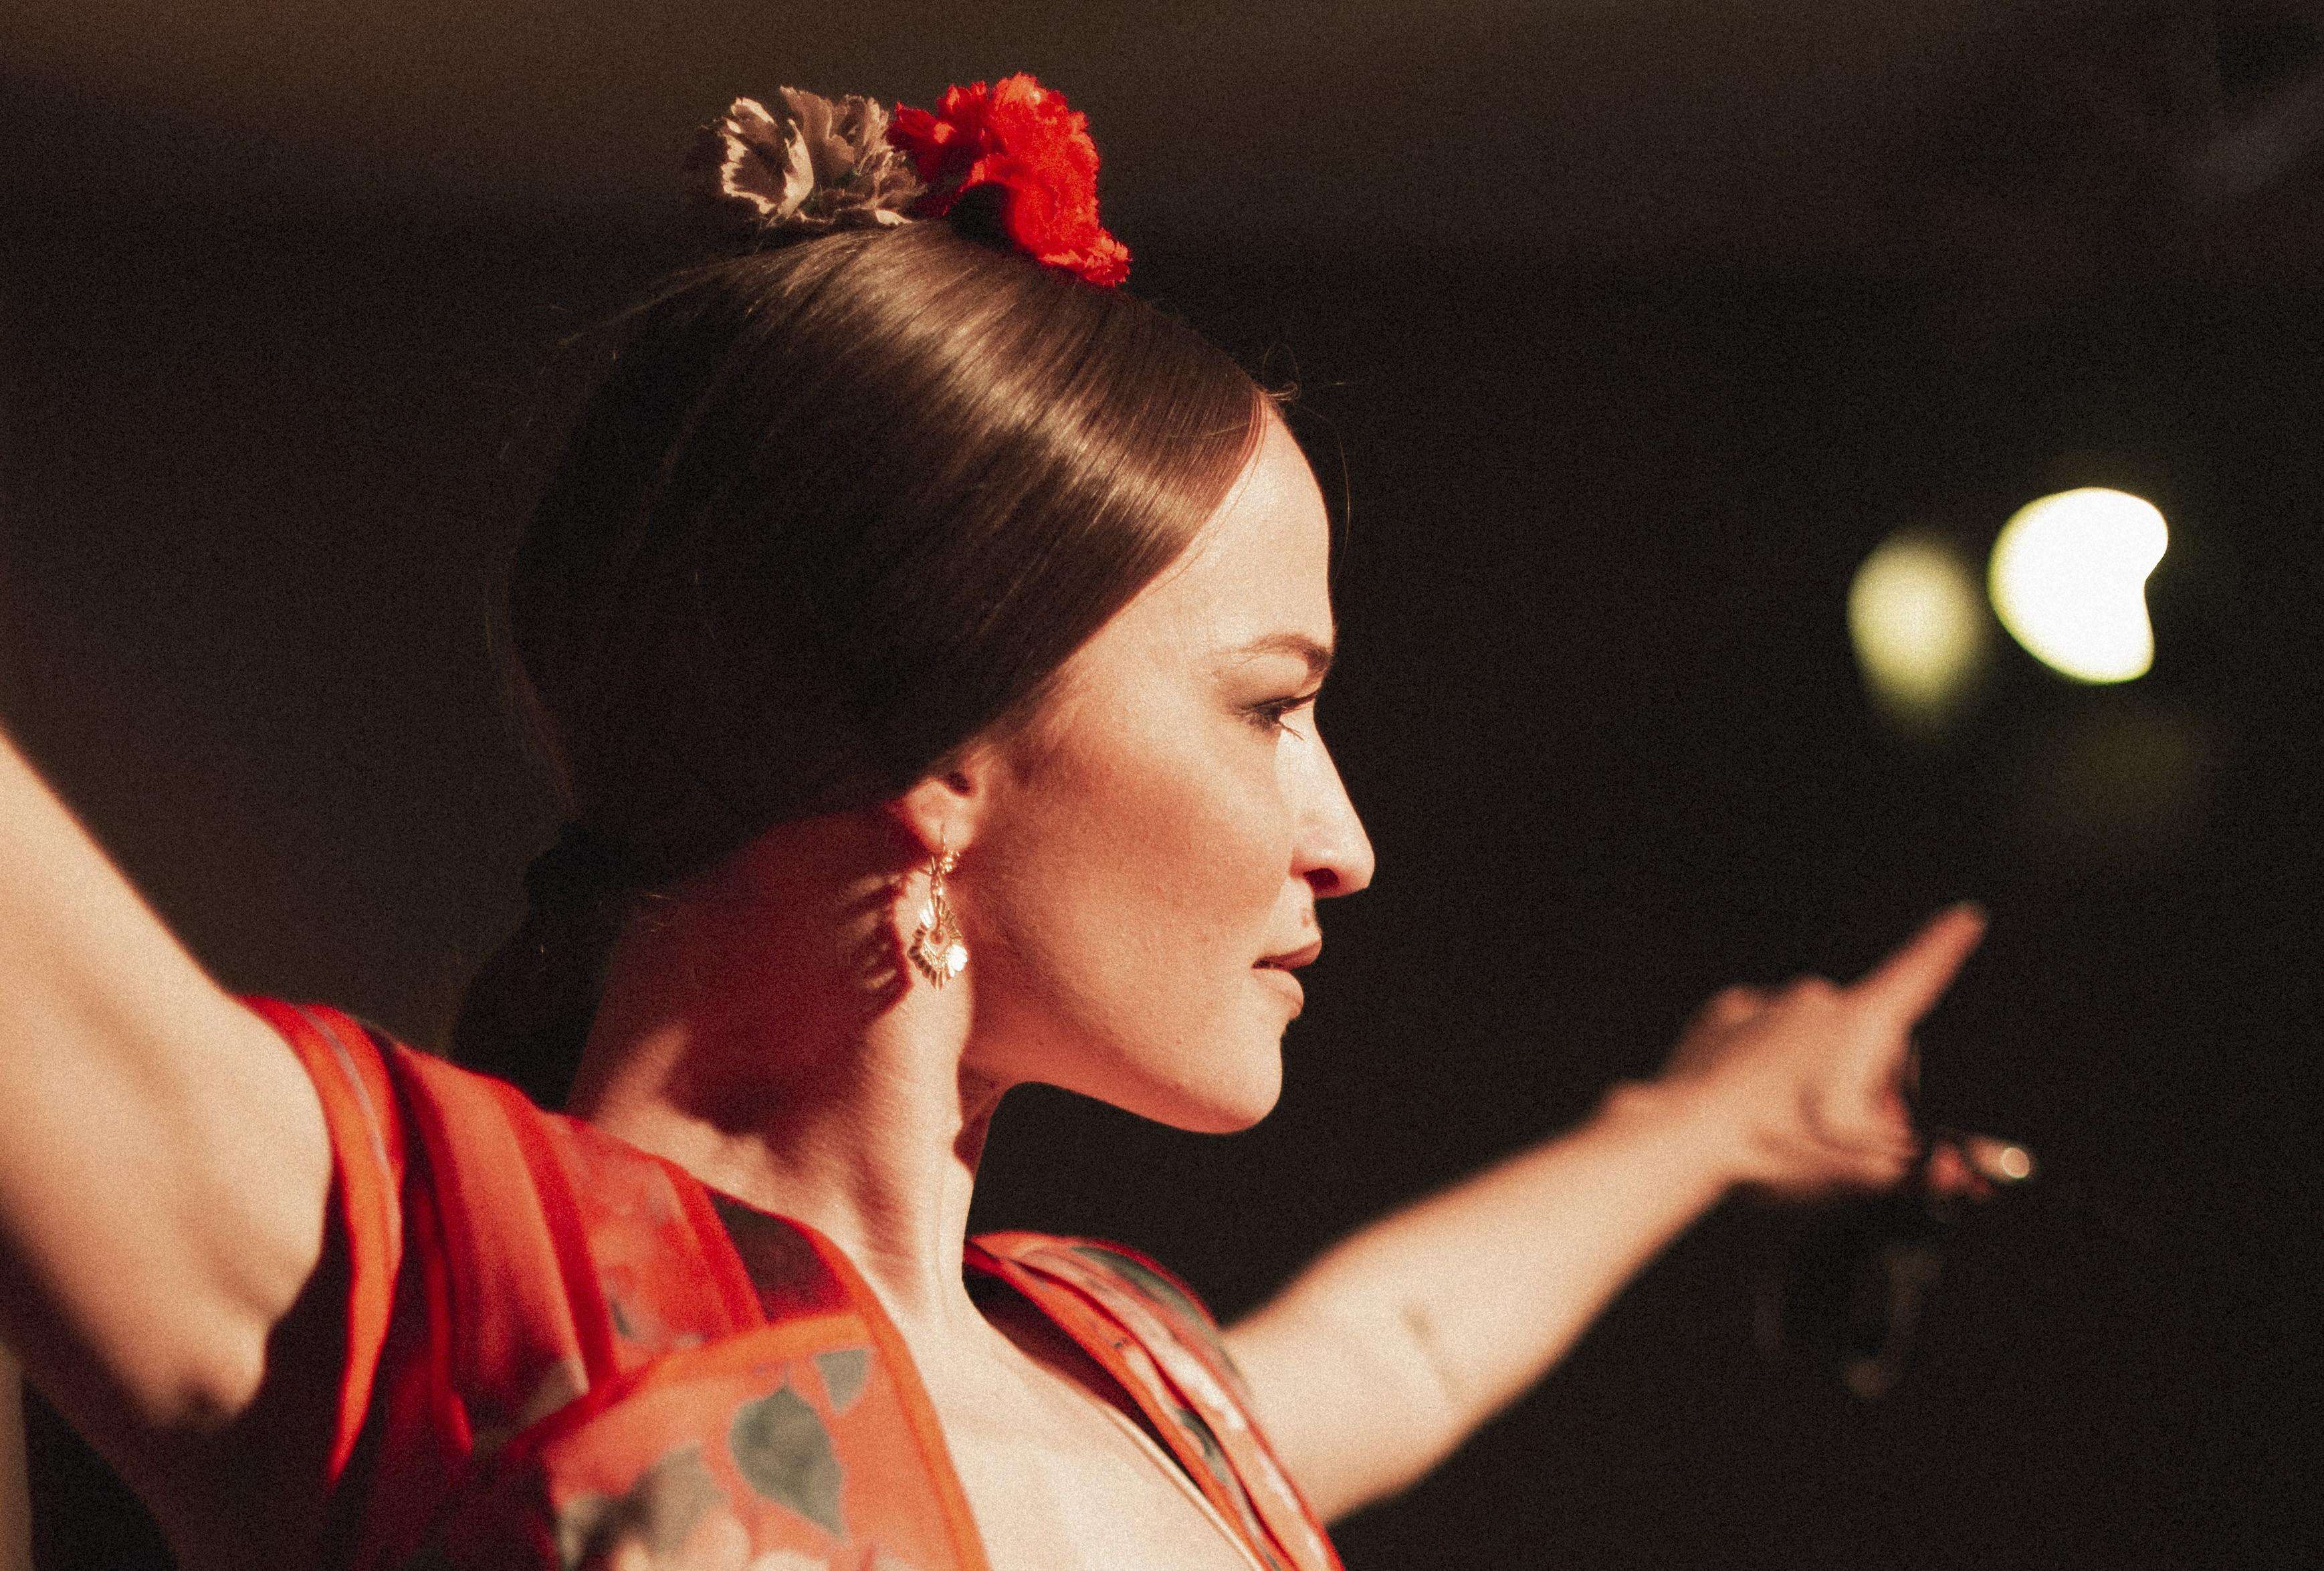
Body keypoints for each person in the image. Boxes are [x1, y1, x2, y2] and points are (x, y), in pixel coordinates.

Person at [0, 75, 1990, 1571]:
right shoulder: (450, 1280)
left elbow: (1398, 1347)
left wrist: (1706, 1125)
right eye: (1271, 707)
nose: (1345, 839)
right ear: (938, 752)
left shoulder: (1132, 1374)